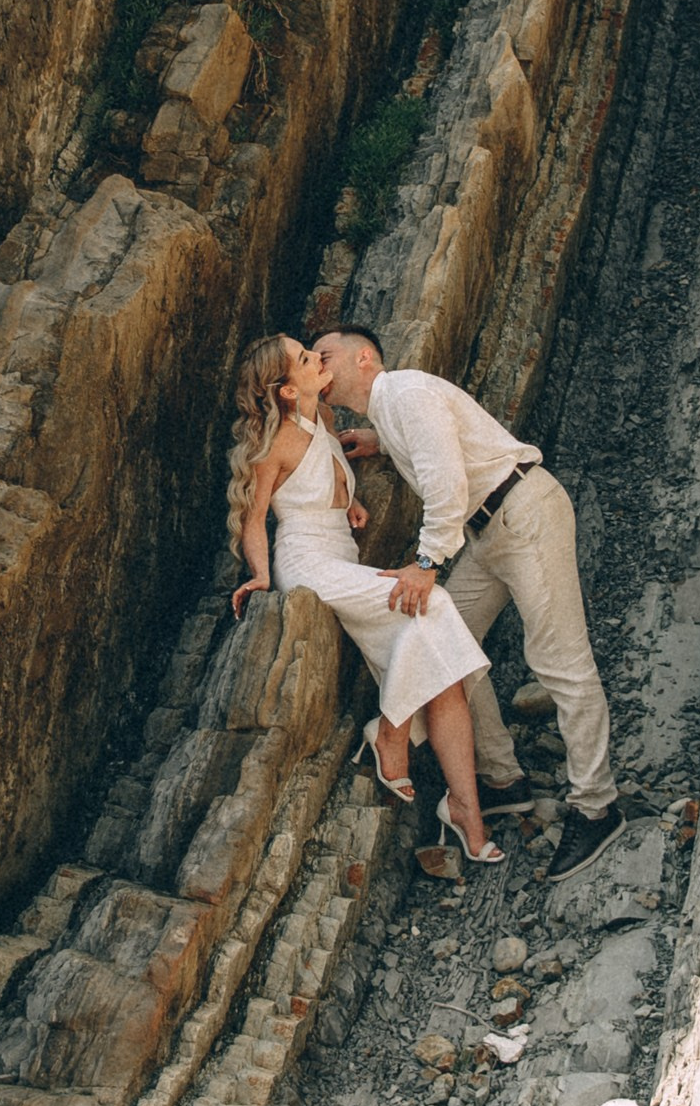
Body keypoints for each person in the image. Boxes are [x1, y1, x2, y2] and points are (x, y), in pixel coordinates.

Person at [314, 326, 623, 878]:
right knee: (451, 647)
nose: (316, 365)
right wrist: (378, 442)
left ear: (364, 358)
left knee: (561, 663)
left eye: (325, 355)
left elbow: (447, 483)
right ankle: (503, 779)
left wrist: (427, 563)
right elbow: (437, 441)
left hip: (523, 515)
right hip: (492, 533)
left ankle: (597, 807)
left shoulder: (404, 393)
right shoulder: (393, 409)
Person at [227, 332, 504, 864]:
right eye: (307, 359)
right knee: (435, 604)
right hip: (307, 563)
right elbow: (254, 515)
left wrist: (347, 505)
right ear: (287, 390)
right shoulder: (277, 441)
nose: (318, 358)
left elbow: (329, 476)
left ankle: (466, 811)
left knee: (439, 665)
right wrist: (260, 576)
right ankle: (393, 731)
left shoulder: (326, 423)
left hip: (342, 555)